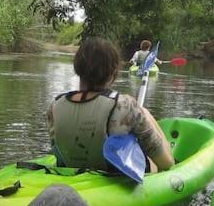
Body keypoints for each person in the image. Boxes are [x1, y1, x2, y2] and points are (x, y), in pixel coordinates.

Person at [49, 37, 175, 173]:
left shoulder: (55, 106)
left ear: (76, 67)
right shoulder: (126, 105)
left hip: (72, 174)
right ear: (114, 73)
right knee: (145, 113)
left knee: (142, 112)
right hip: (111, 177)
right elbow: (165, 164)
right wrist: (143, 114)